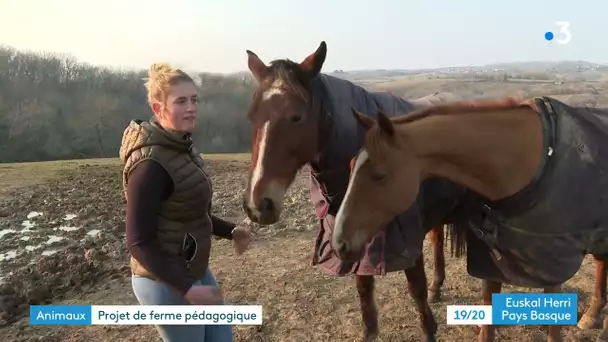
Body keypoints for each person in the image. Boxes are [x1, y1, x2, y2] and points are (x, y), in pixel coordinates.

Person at [119, 63, 251, 342]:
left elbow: (188, 211)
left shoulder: (180, 148)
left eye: (194, 99)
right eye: (181, 101)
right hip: (163, 282)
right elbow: (137, 240)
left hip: (194, 269)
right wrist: (185, 289)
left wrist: (231, 230)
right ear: (158, 109)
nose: (191, 107)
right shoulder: (150, 165)